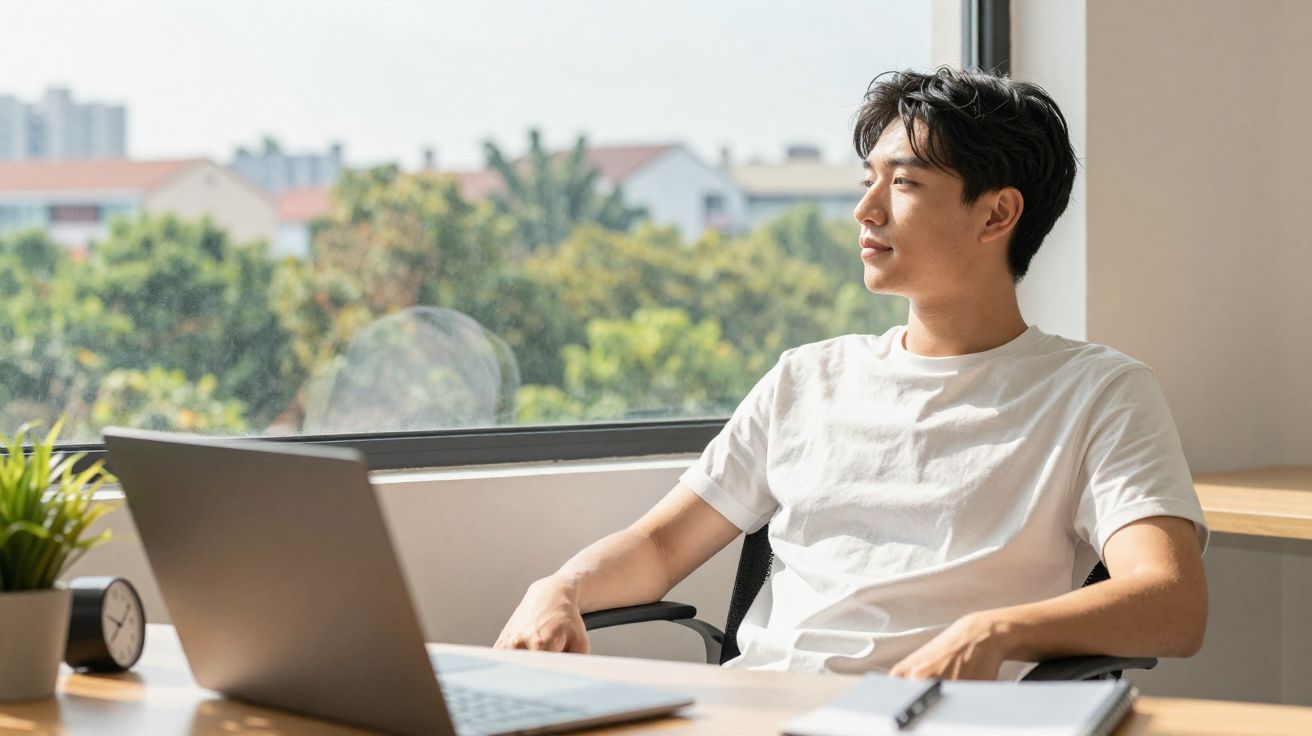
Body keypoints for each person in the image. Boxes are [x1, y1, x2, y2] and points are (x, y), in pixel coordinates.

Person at [495, 67, 1209, 681]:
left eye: (904, 183)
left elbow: (1171, 601)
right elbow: (658, 547)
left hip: (931, 718)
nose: (865, 210)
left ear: (997, 214)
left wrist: (994, 632)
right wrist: (556, 588)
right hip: (754, 711)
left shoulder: (1098, 393)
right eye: (868, 181)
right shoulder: (807, 378)